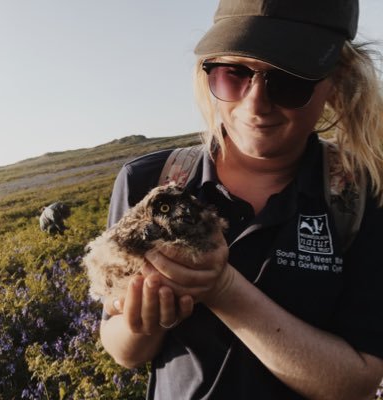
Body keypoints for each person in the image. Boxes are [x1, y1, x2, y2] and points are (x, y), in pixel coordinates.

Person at [100, 0, 383, 398]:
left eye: (288, 80)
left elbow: (357, 382)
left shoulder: (363, 196)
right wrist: (139, 323)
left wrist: (224, 290)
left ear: (336, 80)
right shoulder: (146, 182)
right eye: (233, 74)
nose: (255, 104)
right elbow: (120, 346)